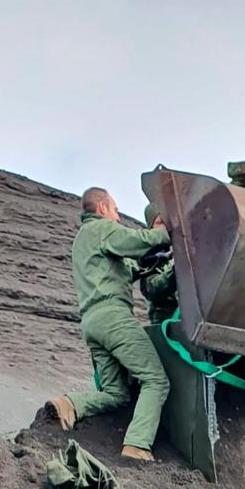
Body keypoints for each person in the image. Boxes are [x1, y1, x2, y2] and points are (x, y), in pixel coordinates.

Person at [45, 188, 172, 461]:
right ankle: (137, 445)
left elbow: (127, 267)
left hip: (91, 323)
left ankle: (69, 404)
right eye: (115, 210)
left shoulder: (84, 240)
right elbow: (142, 240)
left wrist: (148, 264)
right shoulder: (102, 228)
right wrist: (166, 232)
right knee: (155, 380)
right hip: (113, 316)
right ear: (102, 208)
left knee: (115, 393)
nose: (117, 216)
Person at [139, 203, 177, 325]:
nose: (165, 227)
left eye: (167, 222)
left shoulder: (183, 247)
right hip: (165, 324)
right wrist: (176, 270)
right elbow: (152, 288)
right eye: (160, 222)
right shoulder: (148, 255)